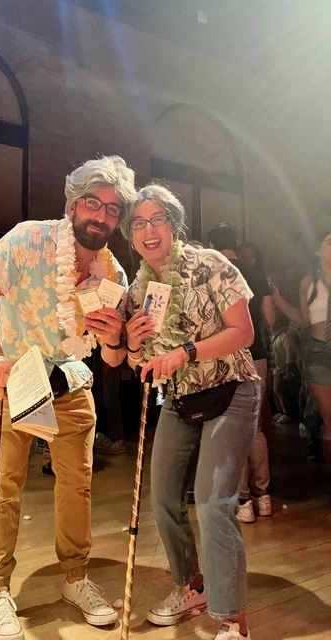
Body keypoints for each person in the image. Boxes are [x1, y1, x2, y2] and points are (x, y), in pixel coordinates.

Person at [0, 155, 135, 640]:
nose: (101, 217)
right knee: (3, 488)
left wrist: (117, 338)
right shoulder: (30, 238)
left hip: (73, 384)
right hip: (14, 379)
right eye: (92, 204)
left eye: (113, 210)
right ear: (73, 204)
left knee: (76, 487)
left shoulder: (114, 275)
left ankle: (75, 579)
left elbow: (114, 361)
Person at [106, 184, 260, 640]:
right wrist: (131, 342)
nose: (148, 230)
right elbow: (139, 362)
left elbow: (244, 332)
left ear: (175, 224)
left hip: (232, 391)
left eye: (158, 220)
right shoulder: (139, 288)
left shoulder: (211, 264)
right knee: (163, 498)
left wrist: (187, 351)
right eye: (138, 222)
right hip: (179, 399)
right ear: (128, 232)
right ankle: (192, 586)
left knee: (213, 503)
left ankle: (233, 618)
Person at [208, 224, 275, 524]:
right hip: (257, 354)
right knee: (256, 427)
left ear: (211, 243)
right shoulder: (254, 274)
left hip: (225, 358)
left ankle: (243, 500)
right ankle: (264, 497)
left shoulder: (212, 273)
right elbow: (270, 318)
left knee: (232, 428)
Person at [270, 228, 331, 475]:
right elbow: (303, 321)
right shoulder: (309, 282)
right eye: (328, 241)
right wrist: (277, 299)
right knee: (329, 419)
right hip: (317, 352)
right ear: (317, 251)